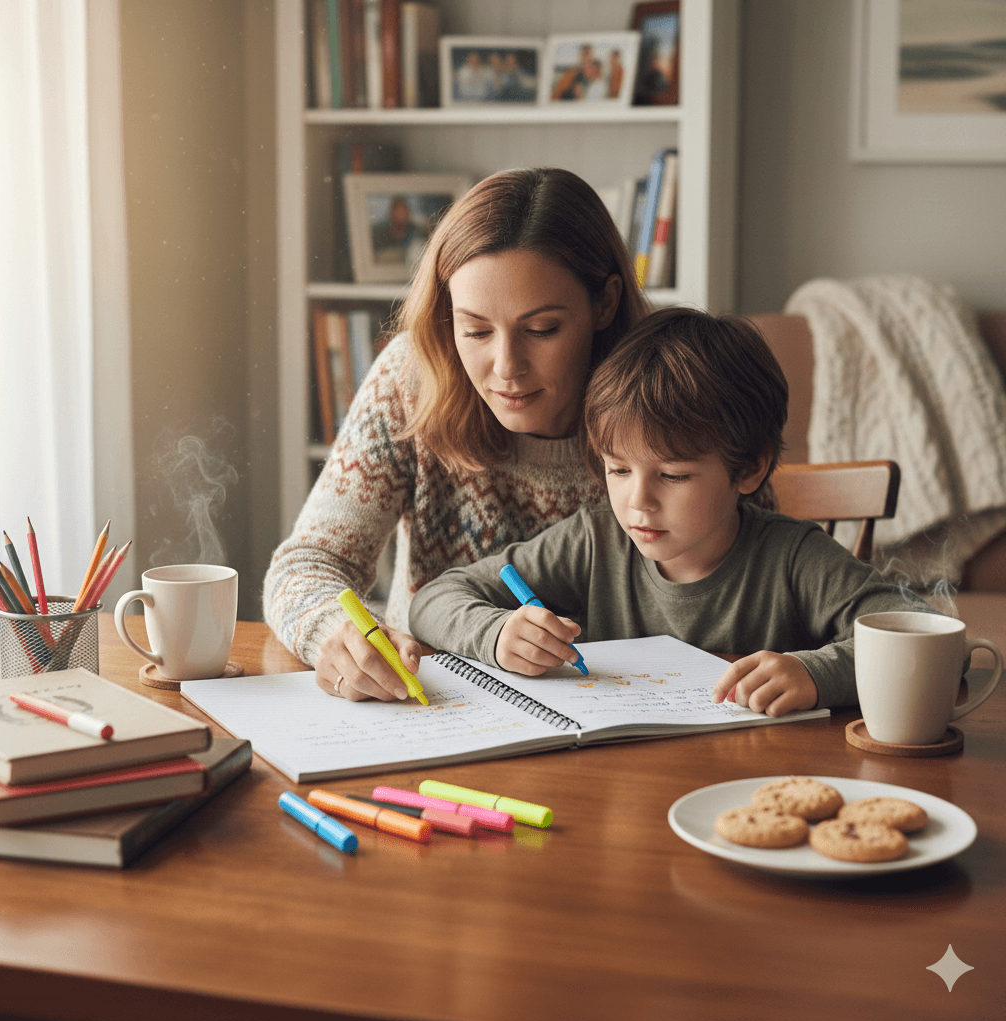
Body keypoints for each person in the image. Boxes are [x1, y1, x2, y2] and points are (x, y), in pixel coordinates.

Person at [408, 307, 935, 716]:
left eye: (674, 475)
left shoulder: (793, 557)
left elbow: (928, 636)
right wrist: (495, 634)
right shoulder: (595, 541)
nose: (638, 501)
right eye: (618, 470)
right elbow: (434, 599)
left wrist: (815, 672)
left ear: (749, 470)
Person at [262, 167, 649, 702]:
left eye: (542, 330)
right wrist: (333, 631)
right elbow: (307, 564)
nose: (506, 366)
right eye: (476, 330)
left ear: (604, 303)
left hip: (622, 714)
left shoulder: (666, 392)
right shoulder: (410, 380)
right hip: (435, 709)